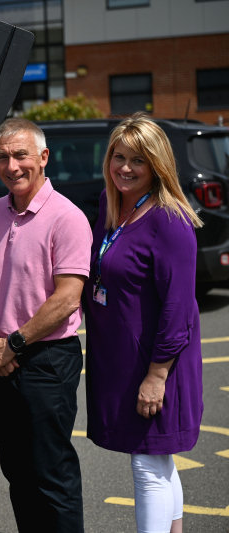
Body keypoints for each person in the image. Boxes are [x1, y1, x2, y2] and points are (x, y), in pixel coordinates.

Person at [0, 117, 91, 532]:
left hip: (47, 358)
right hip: (2, 356)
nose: (11, 165)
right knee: (16, 472)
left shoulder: (67, 217)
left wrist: (13, 344)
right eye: (2, 157)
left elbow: (67, 299)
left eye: (21, 155)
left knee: (50, 472)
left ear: (43, 158)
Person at [82, 113, 203, 533]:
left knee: (147, 464)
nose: (125, 168)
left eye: (138, 160)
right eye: (119, 157)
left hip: (156, 364)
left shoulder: (171, 221)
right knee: (160, 458)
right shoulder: (112, 203)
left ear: (157, 165)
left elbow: (178, 307)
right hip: (122, 360)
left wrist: (156, 376)